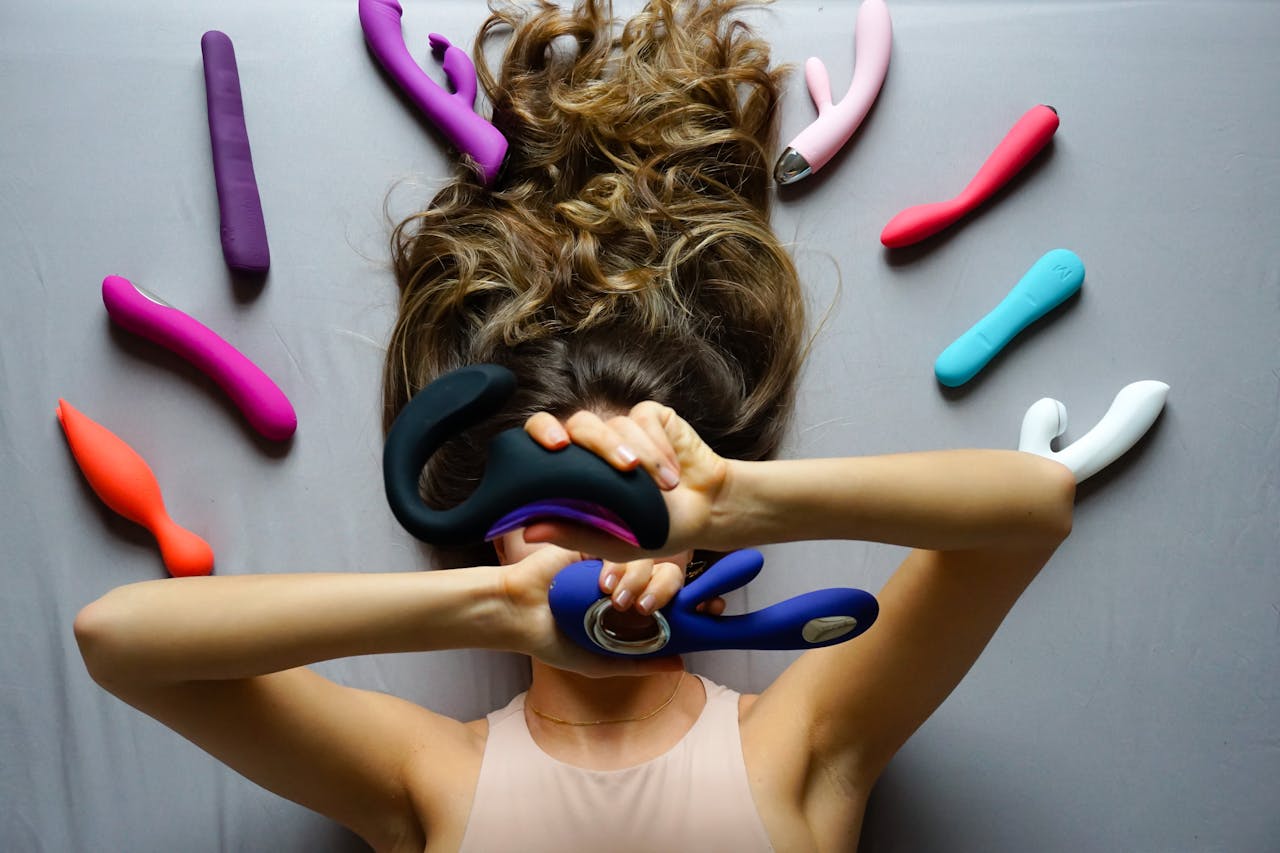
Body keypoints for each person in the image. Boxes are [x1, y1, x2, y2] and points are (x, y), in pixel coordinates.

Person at [73, 1, 1076, 850]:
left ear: (691, 548)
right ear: (493, 522)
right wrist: (493, 607)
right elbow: (117, 639)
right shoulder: (429, 777)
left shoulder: (800, 744)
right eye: (555, 496)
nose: (593, 513)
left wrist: (731, 498)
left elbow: (1033, 506)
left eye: (627, 489)